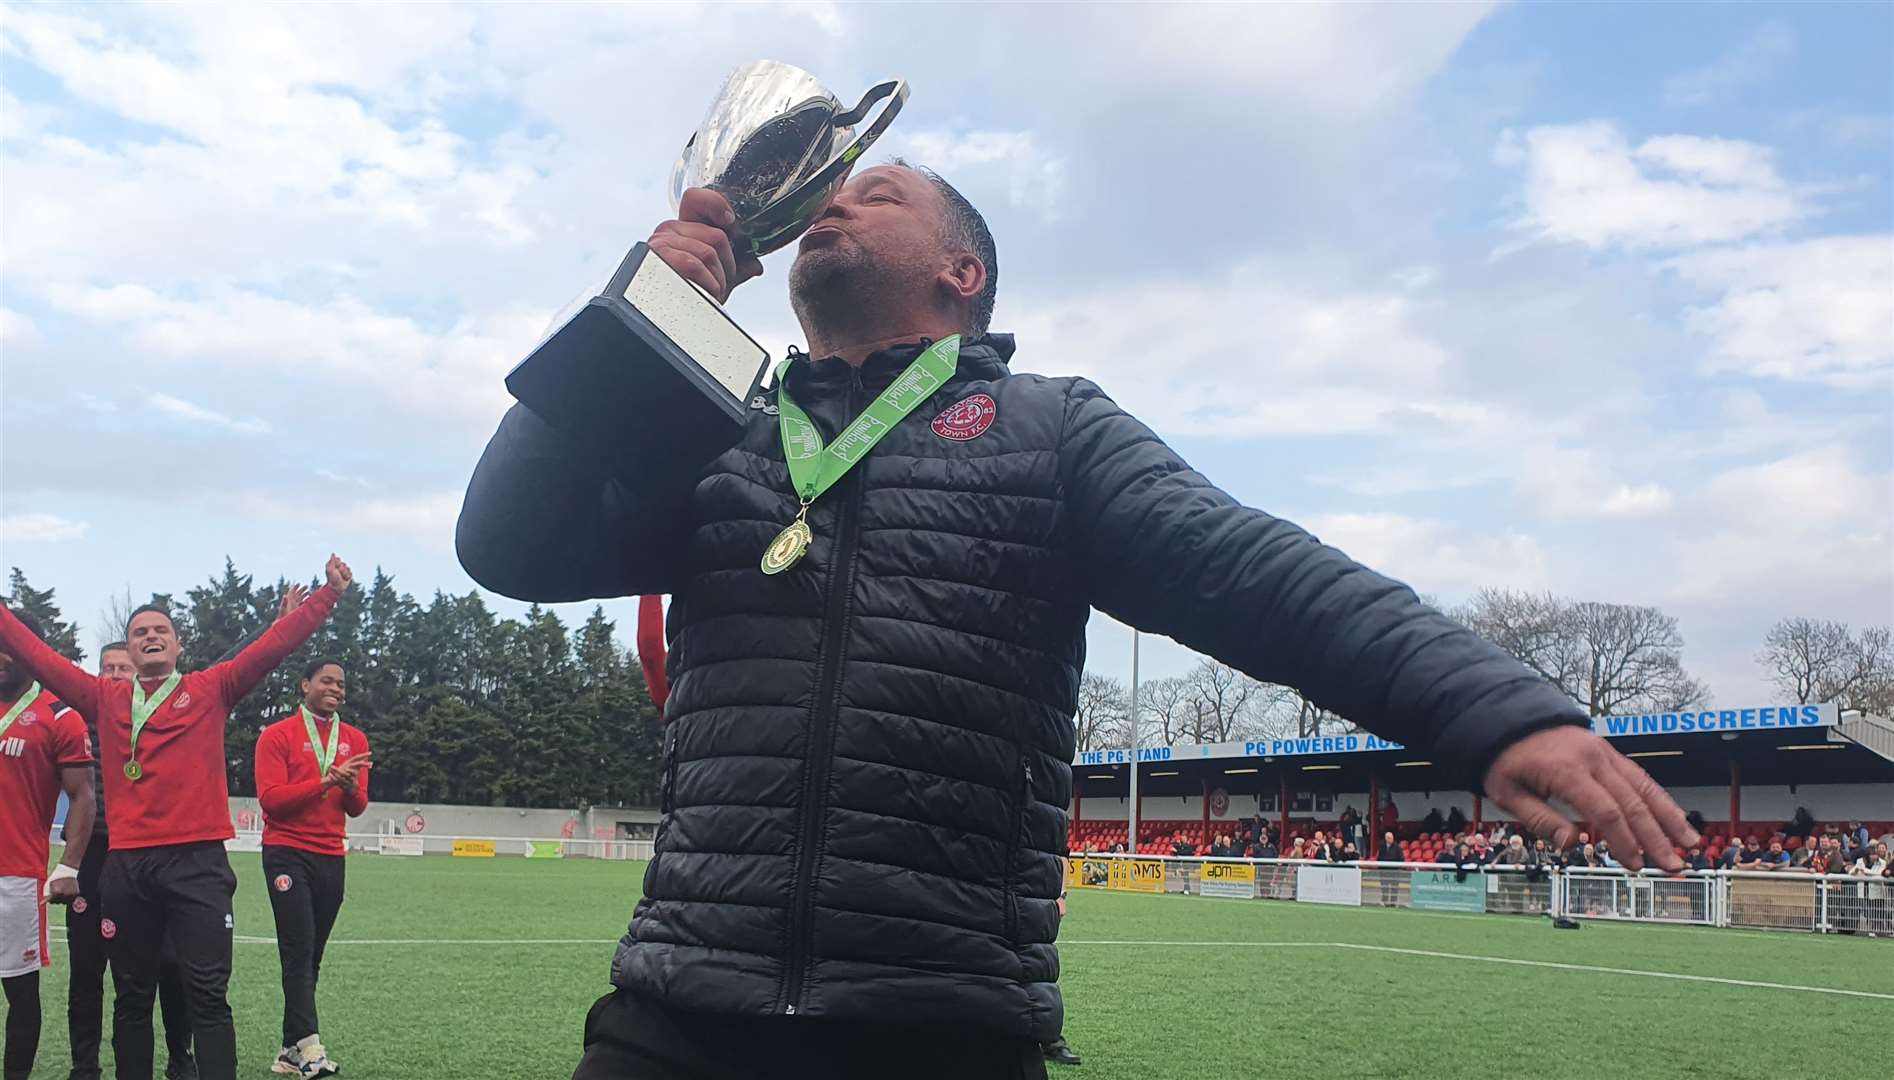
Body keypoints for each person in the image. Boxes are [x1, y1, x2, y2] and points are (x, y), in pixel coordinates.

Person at [457, 164, 1696, 1080]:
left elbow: (1248, 569)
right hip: (675, 1013)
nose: (830, 205)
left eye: (876, 194)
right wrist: (642, 321)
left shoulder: (1050, 428)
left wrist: (1491, 711)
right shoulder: (711, 423)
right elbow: (509, 544)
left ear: (964, 272)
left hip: (940, 1025)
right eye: (826, 199)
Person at [0, 557, 351, 1080]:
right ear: (130, 647)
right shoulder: (103, 697)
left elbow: (272, 649)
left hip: (198, 866)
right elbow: (39, 657)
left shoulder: (212, 688)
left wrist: (328, 596)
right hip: (128, 868)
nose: (150, 637)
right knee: (132, 998)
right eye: (139, 632)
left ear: (177, 644)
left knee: (208, 997)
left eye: (160, 629)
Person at [65, 642, 196, 1080]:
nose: (116, 674)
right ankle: (85, 1066)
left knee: (169, 962)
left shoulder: (163, 717)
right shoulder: (76, 723)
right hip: (91, 854)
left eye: (124, 667)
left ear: (139, 670)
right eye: (108, 668)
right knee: (86, 966)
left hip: (149, 855)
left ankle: (181, 1058)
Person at [254, 656, 372, 1078]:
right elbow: (272, 801)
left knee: (312, 956)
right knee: (298, 950)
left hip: (331, 855)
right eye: (327, 681)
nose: (337, 689)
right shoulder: (277, 735)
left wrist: (347, 786)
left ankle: (289, 1049)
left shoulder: (355, 739)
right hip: (286, 851)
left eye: (342, 684)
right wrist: (324, 780)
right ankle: (311, 1048)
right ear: (304, 686)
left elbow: (357, 808)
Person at [0, 612, 97, 1080]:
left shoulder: (60, 715)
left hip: (15, 878)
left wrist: (69, 865)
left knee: (19, 993)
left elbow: (83, 795)